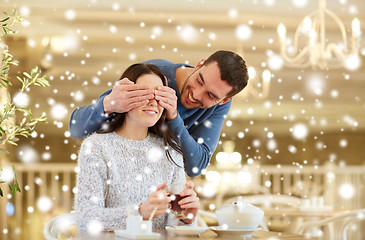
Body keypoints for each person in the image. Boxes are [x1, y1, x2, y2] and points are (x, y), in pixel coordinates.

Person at [70, 50, 249, 177]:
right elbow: (76, 128)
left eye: (210, 95)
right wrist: (108, 104)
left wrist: (173, 116)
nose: (195, 94)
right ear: (199, 64)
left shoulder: (219, 106)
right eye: (199, 80)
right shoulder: (151, 74)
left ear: (224, 101)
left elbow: (195, 167)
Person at [75, 64, 200, 233]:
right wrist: (139, 212)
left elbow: (174, 229)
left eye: (159, 95)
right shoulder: (96, 147)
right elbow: (85, 219)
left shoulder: (171, 152)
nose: (153, 102)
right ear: (124, 97)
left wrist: (186, 218)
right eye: (144, 94)